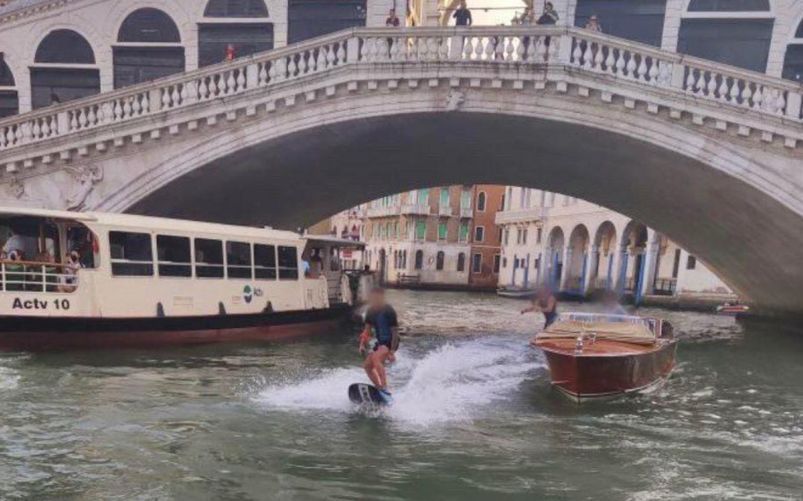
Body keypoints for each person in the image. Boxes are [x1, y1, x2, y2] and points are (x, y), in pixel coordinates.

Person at [359, 288, 399, 403]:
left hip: (391, 342)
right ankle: (378, 388)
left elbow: (395, 332)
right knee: (367, 366)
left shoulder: (388, 310)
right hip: (380, 343)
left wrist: (391, 351)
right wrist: (362, 344)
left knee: (376, 358)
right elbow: (367, 331)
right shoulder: (370, 311)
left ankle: (384, 387)